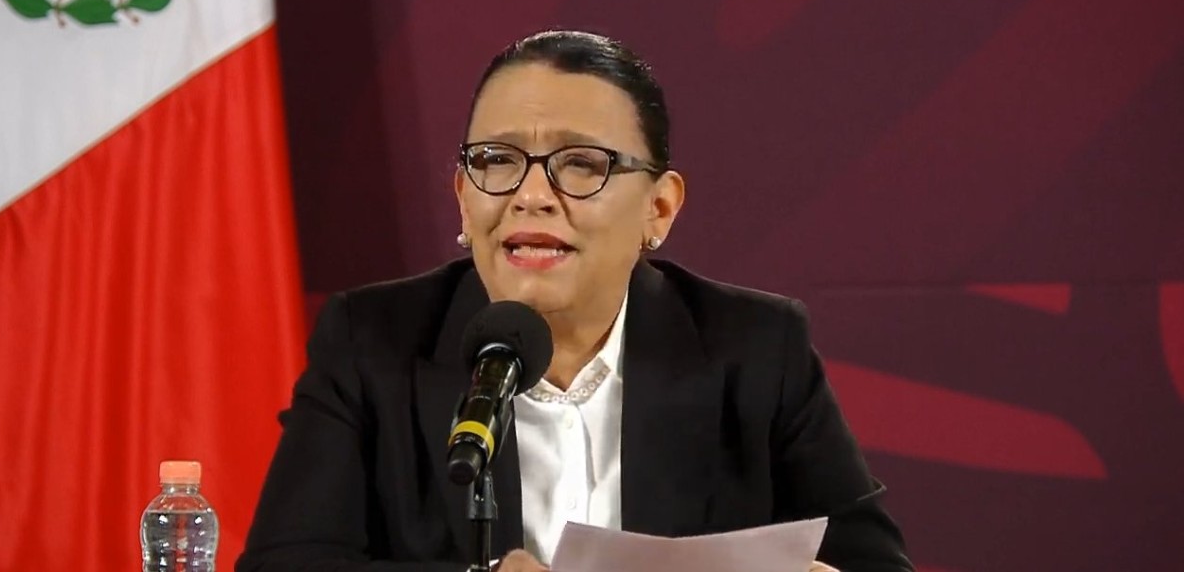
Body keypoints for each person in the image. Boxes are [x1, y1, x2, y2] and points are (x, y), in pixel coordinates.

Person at [236, 30, 913, 572]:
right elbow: (284, 563)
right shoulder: (371, 342)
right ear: (464, 200)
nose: (531, 195)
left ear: (658, 208)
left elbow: (871, 563)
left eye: (582, 164)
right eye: (497, 160)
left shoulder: (756, 349)